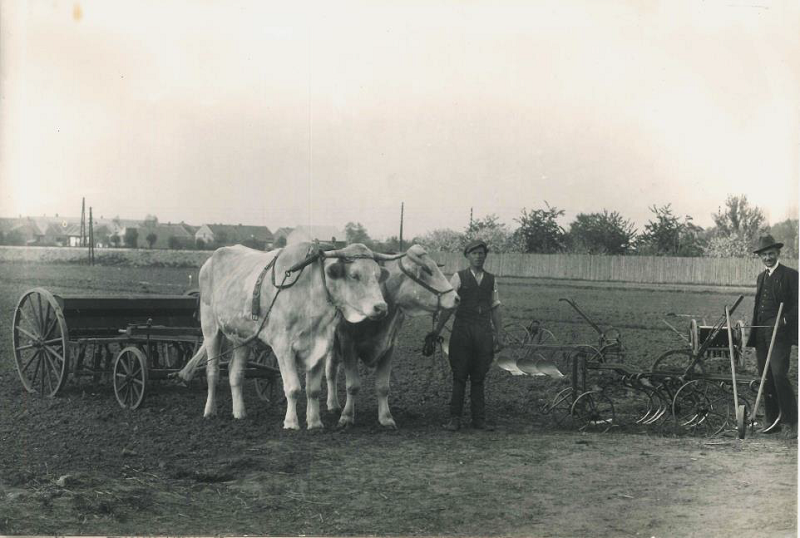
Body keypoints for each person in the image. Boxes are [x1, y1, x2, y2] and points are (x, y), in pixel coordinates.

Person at [429, 239, 504, 431]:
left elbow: (495, 308)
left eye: (481, 253)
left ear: (485, 256)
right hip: (462, 331)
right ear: (468, 256)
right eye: (474, 253)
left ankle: (479, 420)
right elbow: (448, 306)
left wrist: (499, 334)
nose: (478, 257)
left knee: (479, 376)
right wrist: (437, 330)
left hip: (483, 333)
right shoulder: (458, 277)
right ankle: (455, 419)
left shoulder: (491, 280)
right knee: (460, 375)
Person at [745, 235, 798, 439]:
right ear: (760, 257)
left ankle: (791, 421)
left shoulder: (791, 275)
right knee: (765, 377)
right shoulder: (761, 277)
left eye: (771, 253)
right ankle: (771, 420)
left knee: (778, 374)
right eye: (764, 254)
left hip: (780, 334)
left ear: (778, 253)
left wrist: (784, 320)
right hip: (762, 334)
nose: (768, 257)